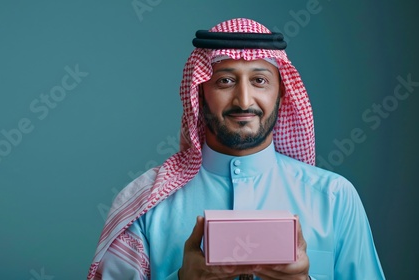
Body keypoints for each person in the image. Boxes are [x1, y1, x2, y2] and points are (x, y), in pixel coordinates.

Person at [87, 18, 385, 280]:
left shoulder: (334, 198)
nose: (244, 101)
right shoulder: (144, 205)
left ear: (281, 93)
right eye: (225, 81)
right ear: (199, 94)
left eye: (259, 81)